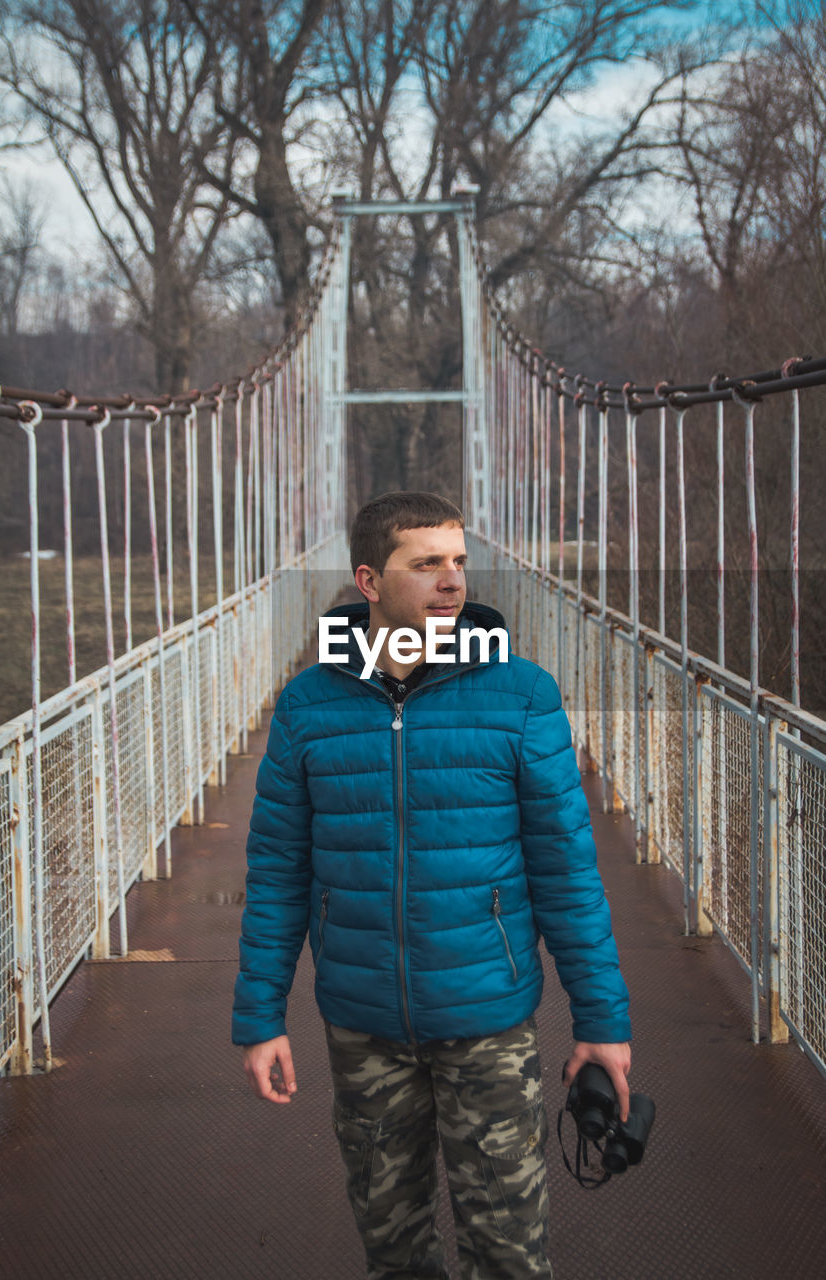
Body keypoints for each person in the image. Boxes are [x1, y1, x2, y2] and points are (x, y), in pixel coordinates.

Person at [233, 491, 632, 1280]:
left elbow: (566, 871)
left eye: (457, 562)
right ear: (367, 581)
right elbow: (277, 870)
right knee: (392, 1248)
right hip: (362, 1025)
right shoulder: (309, 706)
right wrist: (257, 1017)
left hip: (487, 1022)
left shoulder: (521, 695)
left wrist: (601, 1020)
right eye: (426, 565)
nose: (451, 582)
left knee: (509, 1251)